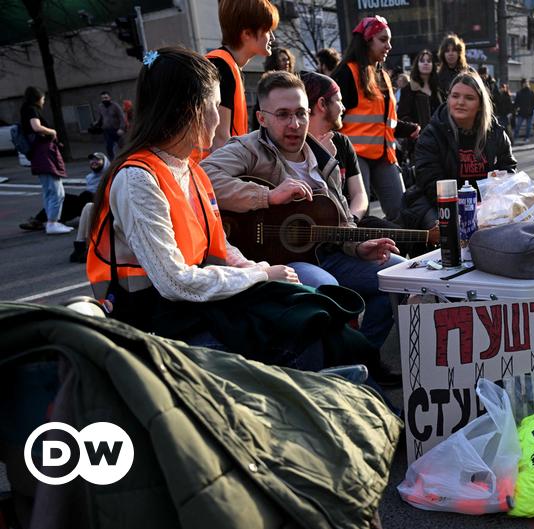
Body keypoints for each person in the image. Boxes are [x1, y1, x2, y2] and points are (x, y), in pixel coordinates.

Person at [85, 47, 377, 375]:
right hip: (158, 322)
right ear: (189, 111)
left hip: (196, 305)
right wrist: (260, 276)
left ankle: (344, 385)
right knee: (294, 331)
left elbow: (219, 247)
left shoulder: (189, 169)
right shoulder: (138, 179)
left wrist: (260, 269)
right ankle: (322, 390)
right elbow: (175, 283)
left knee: (311, 311)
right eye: (215, 106)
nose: (219, 118)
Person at [202, 71, 405, 361]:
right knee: (327, 289)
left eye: (300, 113)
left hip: (328, 252)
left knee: (396, 275)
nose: (294, 124)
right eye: (283, 115)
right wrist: (267, 196)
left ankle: (365, 358)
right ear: (262, 119)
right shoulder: (248, 148)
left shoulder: (322, 157)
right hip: (278, 260)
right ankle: (337, 365)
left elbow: (341, 218)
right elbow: (204, 178)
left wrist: (357, 246)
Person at [401, 71, 517, 230]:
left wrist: (492, 200)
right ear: (448, 99)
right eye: (455, 96)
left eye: (469, 98)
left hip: (486, 206)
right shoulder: (432, 134)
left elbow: (509, 169)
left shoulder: (495, 133)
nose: (460, 102)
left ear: (480, 104)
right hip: (438, 204)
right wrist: (467, 209)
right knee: (450, 231)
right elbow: (431, 183)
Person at [332, 15, 419, 221]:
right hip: (354, 155)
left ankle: (396, 242)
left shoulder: (383, 75)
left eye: (389, 40)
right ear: (366, 41)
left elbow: (383, 122)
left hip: (384, 155)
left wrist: (409, 129)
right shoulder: (347, 73)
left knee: (401, 212)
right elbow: (330, 118)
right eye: (383, 40)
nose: (389, 46)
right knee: (360, 215)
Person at [197, 0, 279, 161]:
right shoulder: (221, 66)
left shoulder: (227, 64)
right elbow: (219, 139)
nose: (273, 37)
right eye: (267, 30)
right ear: (247, 34)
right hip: (209, 169)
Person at [20, 86, 71, 235]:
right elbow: (36, 127)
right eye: (43, 98)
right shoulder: (31, 110)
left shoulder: (25, 110)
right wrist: (52, 131)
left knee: (49, 191)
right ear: (37, 98)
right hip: (44, 154)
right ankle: (53, 223)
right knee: (57, 191)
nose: (43, 101)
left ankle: (51, 221)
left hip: (39, 155)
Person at [21, 152, 108, 233]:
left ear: (105, 163)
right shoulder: (90, 177)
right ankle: (40, 220)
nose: (94, 162)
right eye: (92, 160)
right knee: (64, 198)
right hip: (88, 205)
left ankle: (53, 220)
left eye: (98, 160)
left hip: (101, 206)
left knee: (85, 196)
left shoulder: (109, 175)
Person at [250, 46, 295, 130]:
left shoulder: (293, 82)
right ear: (275, 62)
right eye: (283, 60)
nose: (287, 62)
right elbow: (260, 107)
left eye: (287, 59)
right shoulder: (267, 82)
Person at [93, 91, 126, 159]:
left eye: (106, 97)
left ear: (109, 98)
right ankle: (112, 162)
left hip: (117, 130)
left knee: (122, 147)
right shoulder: (100, 107)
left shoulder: (115, 106)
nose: (104, 99)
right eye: (102, 98)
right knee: (109, 147)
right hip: (107, 130)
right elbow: (100, 118)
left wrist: (122, 128)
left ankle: (125, 159)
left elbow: (122, 117)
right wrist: (96, 124)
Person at [437, 33, 471, 98]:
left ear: (459, 53)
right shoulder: (438, 76)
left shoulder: (469, 72)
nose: (450, 53)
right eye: (447, 51)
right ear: (443, 54)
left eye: (454, 50)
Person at [514, 77, 534, 143]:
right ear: (522, 84)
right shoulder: (519, 93)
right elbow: (516, 103)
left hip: (529, 112)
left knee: (528, 127)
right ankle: (515, 138)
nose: (526, 84)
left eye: (527, 83)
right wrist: (516, 109)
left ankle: (527, 138)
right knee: (518, 126)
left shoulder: (531, 92)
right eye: (524, 83)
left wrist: (532, 109)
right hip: (521, 112)